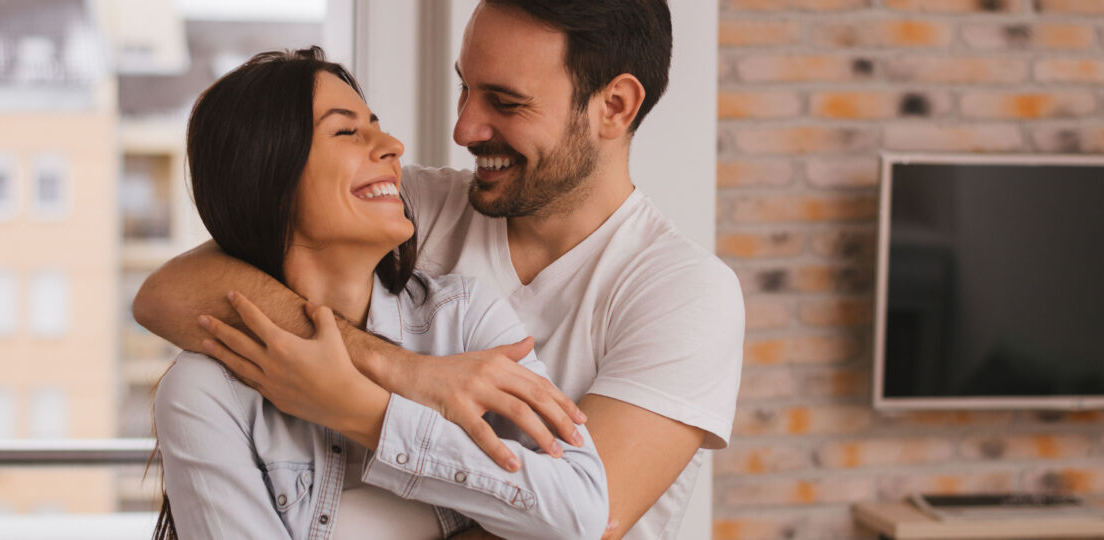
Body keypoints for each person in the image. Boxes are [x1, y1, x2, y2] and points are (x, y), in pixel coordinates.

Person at [135, 1, 744, 538]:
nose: (463, 129)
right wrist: (401, 370)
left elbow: (588, 521)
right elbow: (169, 292)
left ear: (614, 106)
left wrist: (358, 407)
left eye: (505, 102)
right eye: (466, 90)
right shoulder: (406, 212)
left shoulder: (684, 294)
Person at [152, 47, 608, 540]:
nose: (392, 145)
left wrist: (367, 413)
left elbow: (581, 509)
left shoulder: (464, 319)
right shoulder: (206, 391)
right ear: (267, 174)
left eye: (377, 124)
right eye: (347, 131)